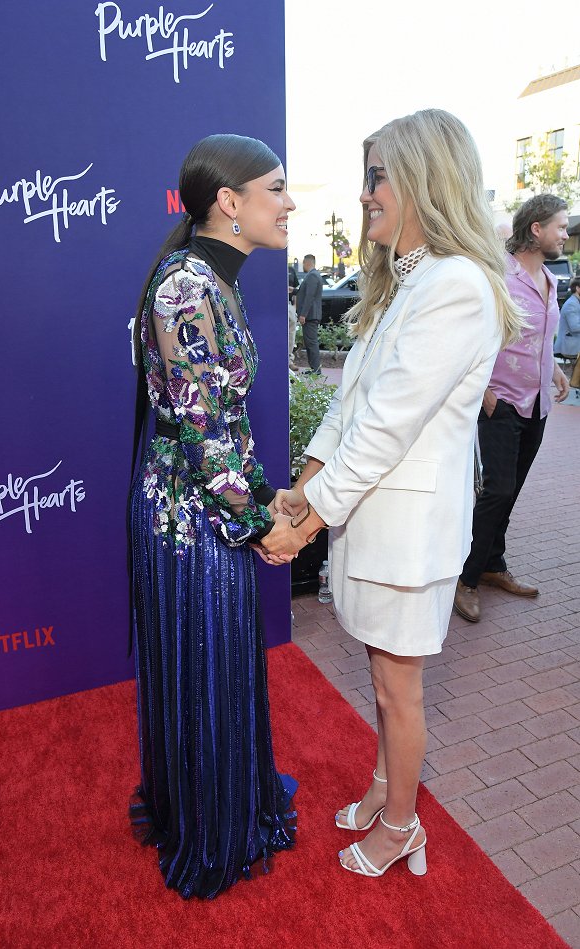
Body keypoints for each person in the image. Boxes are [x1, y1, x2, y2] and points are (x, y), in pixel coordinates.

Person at [262, 109, 523, 879]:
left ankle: (402, 824)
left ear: (419, 181)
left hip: (407, 530)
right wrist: (302, 485)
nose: (367, 193)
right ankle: (384, 788)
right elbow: (348, 408)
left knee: (396, 687)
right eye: (366, 176)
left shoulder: (454, 286)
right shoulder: (404, 282)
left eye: (377, 177)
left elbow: (385, 425)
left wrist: (305, 524)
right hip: (376, 518)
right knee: (382, 677)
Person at [127, 134, 298, 899]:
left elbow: (224, 422)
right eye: (276, 188)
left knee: (218, 664)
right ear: (228, 202)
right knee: (203, 664)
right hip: (186, 517)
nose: (289, 203)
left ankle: (222, 803)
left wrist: (263, 500)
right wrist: (261, 523)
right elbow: (199, 432)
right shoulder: (186, 288)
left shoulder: (212, 281)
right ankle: (206, 826)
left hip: (209, 505)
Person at [454, 194, 570, 623]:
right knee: (496, 490)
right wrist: (482, 388)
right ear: (536, 228)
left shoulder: (551, 279)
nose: (564, 233)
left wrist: (555, 369)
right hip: (500, 401)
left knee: (512, 489)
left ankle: (492, 564)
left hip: (537, 401)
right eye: (559, 226)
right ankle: (464, 580)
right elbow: (472, 331)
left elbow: (537, 339)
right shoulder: (498, 275)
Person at [296, 253, 323, 373]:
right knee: (310, 342)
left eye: (303, 263)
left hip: (310, 315)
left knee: (311, 343)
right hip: (311, 315)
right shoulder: (314, 275)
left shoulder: (312, 276)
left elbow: (309, 296)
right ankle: (314, 368)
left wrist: (303, 314)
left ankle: (316, 369)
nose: (303, 265)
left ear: (307, 263)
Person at [555, 277, 580, 360]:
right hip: (570, 347)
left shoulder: (576, 302)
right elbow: (575, 327)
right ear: (577, 288)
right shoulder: (572, 304)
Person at [288, 263, 299, 365]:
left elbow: (296, 288)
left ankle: (290, 360)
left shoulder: (290, 270)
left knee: (291, 333)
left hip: (289, 304)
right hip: (276, 305)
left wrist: (295, 306)